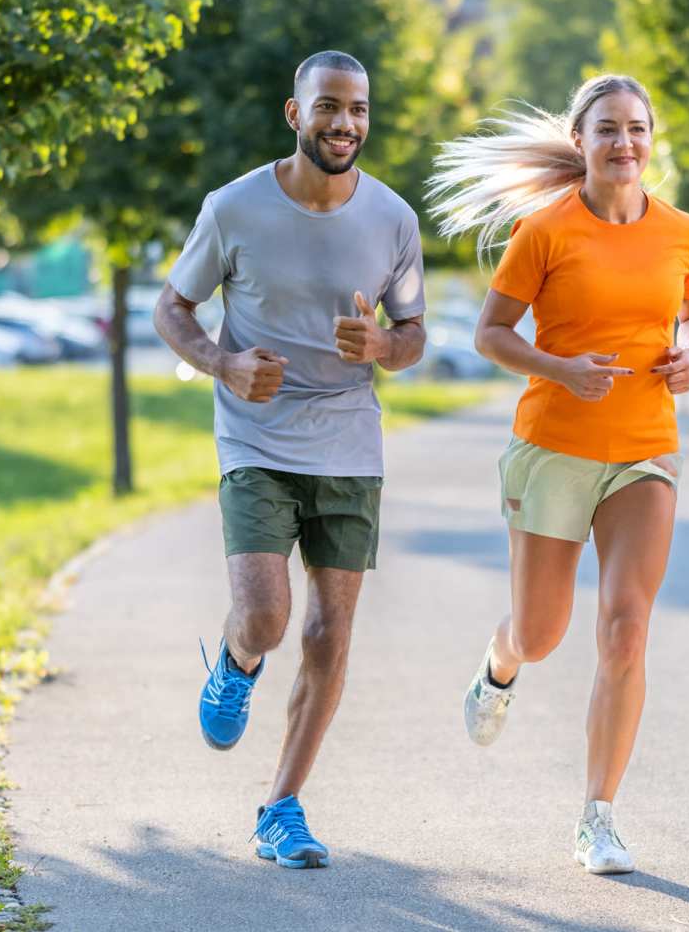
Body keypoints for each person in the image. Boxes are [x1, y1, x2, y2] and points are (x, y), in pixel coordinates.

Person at [429, 74, 689, 875]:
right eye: (608, 130)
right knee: (543, 632)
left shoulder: (684, 231)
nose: (625, 143)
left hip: (644, 449)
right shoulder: (545, 230)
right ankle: (501, 662)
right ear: (580, 139)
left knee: (626, 628)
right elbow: (491, 333)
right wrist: (558, 367)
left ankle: (598, 817)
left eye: (637, 129)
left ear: (651, 138)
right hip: (554, 445)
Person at [154, 50, 426, 869]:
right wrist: (221, 363)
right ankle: (238, 662)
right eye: (330, 107)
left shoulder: (393, 219)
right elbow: (173, 305)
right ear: (294, 113)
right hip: (256, 436)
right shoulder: (234, 208)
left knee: (329, 632)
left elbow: (414, 337)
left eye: (360, 110)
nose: (346, 124)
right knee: (269, 617)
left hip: (348, 438)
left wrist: (382, 343)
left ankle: (281, 806)